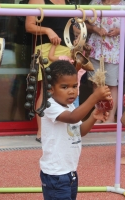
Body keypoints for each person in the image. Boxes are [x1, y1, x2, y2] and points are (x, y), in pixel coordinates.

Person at [40, 60, 111, 199]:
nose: (72, 91)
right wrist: (95, 96)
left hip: (70, 171)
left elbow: (79, 132)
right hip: (56, 175)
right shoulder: (49, 106)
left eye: (75, 86)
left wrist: (94, 116)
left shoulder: (70, 107)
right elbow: (72, 118)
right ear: (50, 89)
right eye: (65, 87)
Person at [25, 0, 74, 143]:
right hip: (47, 46)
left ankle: (64, 128)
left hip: (68, 48)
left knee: (66, 88)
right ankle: (41, 131)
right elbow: (29, 26)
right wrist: (47, 30)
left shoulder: (69, 1)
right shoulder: (37, 0)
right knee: (46, 89)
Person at [86, 0, 125, 123]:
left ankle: (109, 118)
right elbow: (83, 24)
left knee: (112, 84)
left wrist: (120, 31)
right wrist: (95, 28)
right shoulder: (95, 3)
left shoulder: (124, 6)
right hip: (95, 49)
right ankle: (98, 115)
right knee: (97, 83)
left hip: (114, 51)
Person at [48, 26, 88, 108]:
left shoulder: (66, 59)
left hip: (63, 94)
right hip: (74, 95)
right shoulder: (82, 65)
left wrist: (54, 45)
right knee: (74, 116)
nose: (76, 40)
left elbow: (50, 57)